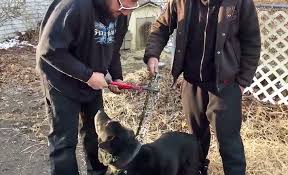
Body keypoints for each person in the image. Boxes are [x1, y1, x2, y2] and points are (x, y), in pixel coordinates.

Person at [144, 0, 261, 174]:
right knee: (195, 142)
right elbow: (161, 26)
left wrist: (242, 82)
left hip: (225, 86)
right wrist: (152, 54)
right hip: (192, 83)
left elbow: (252, 41)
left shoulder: (240, 2)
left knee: (229, 143)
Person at [36, 0, 139, 174]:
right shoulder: (75, 6)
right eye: (123, 6)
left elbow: (113, 48)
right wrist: (88, 76)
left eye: (132, 7)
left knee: (96, 134)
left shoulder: (120, 13)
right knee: (64, 141)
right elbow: (49, 49)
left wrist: (117, 76)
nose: (126, 13)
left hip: (92, 80)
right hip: (61, 80)